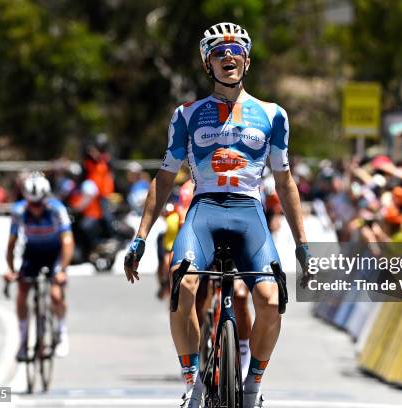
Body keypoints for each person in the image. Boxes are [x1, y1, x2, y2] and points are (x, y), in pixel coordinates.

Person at [123, 22, 310, 408]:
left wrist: (303, 245)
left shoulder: (273, 114)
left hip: (248, 210)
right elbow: (162, 178)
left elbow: (286, 182)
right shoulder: (187, 114)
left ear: (247, 60)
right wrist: (140, 237)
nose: (229, 57)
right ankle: (192, 383)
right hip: (205, 208)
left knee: (271, 299)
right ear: (207, 64)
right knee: (183, 286)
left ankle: (253, 386)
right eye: (219, 52)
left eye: (236, 50)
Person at [4, 172, 74, 361]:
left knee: (55, 294)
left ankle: (61, 333)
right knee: (22, 292)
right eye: (31, 204)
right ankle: (23, 338)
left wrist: (63, 270)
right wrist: (11, 270)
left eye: (39, 203)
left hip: (54, 253)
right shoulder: (19, 211)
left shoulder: (56, 209)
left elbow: (68, 241)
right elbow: (12, 243)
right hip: (32, 253)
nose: (35, 208)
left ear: (46, 198)